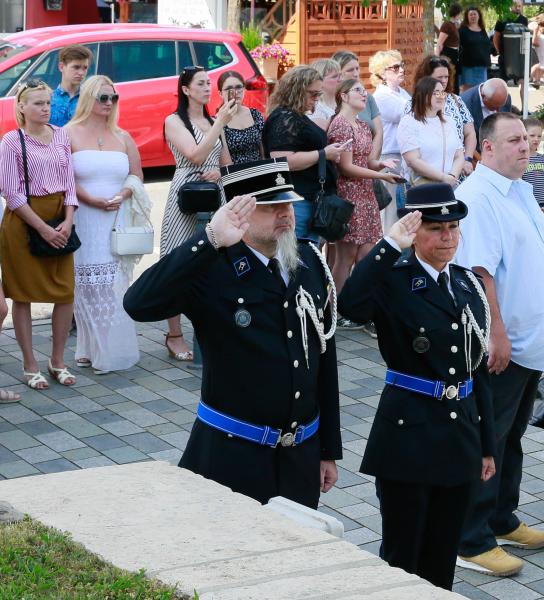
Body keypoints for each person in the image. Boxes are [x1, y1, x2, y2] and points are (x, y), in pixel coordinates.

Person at [124, 158, 342, 509]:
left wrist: (328, 449)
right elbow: (138, 304)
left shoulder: (309, 262)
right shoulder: (211, 268)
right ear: (237, 212)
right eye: (271, 206)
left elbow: (324, 361)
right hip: (233, 456)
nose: (285, 213)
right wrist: (208, 239)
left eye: (287, 202)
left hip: (300, 457)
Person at [338, 184, 496, 591]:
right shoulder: (393, 280)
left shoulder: (465, 284)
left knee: (443, 553)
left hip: (459, 434)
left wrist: (487, 444)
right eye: (436, 228)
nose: (447, 238)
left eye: (454, 228)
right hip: (409, 434)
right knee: (402, 556)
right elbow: (350, 305)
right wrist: (389, 246)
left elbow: (474, 369)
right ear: (414, 231)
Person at [455, 112, 544, 577]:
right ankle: (471, 538)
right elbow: (480, 272)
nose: (525, 147)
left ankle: (502, 518)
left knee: (513, 437)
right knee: (491, 439)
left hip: (530, 341)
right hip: (506, 343)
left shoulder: (519, 190)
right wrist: (496, 333)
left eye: (527, 138)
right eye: (513, 140)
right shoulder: (479, 196)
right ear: (486, 148)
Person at [0, 80, 79, 390]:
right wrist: (42, 228)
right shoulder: (11, 140)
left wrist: (69, 220)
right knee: (23, 295)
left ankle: (57, 360)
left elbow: (70, 182)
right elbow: (11, 192)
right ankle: (30, 363)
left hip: (60, 217)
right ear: (21, 107)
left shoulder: (61, 135)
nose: (45, 108)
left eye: (47, 102)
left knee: (65, 292)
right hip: (24, 222)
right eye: (37, 103)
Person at [65, 75, 145, 373]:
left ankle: (110, 350)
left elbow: (136, 174)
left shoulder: (123, 136)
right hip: (85, 217)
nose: (109, 103)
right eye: (103, 98)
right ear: (89, 98)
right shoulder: (68, 133)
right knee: (86, 285)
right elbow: (66, 179)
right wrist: (91, 200)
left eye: (113, 98)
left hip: (116, 218)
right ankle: (88, 347)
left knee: (113, 285)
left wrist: (124, 193)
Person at [160, 65, 235, 362]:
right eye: (201, 84)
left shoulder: (215, 119)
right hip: (187, 194)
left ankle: (209, 325)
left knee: (214, 260)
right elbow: (194, 155)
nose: (207, 88)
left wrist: (220, 170)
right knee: (176, 260)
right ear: (186, 89)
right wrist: (219, 125)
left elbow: (225, 160)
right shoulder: (174, 120)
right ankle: (173, 334)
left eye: (209, 83)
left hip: (215, 194)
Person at [327, 78, 401, 327]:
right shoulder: (340, 125)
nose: (364, 94)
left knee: (368, 254)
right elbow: (347, 168)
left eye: (364, 90)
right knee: (345, 257)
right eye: (358, 90)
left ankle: (360, 308)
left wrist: (381, 165)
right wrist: (381, 175)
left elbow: (365, 162)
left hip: (366, 195)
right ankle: (332, 310)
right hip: (349, 195)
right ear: (344, 96)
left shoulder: (361, 125)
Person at [262, 65, 344, 241]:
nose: (316, 99)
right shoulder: (285, 117)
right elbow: (284, 161)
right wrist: (324, 154)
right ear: (296, 90)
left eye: (318, 94)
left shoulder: (295, 116)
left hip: (308, 199)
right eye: (312, 94)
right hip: (297, 201)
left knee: (307, 258)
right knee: (295, 257)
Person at [410, 55, 477, 177]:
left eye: (446, 76)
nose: (444, 80)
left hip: (458, 169)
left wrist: (467, 159)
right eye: (439, 77)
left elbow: (470, 133)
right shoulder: (413, 103)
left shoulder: (456, 100)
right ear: (426, 79)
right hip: (427, 172)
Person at [396, 77, 464, 189]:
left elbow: (459, 155)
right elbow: (413, 160)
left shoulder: (449, 121)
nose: (441, 96)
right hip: (420, 189)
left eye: (442, 92)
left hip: (448, 188)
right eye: (436, 93)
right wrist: (443, 178)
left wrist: (452, 176)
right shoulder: (409, 122)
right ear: (423, 95)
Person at [370, 49, 411, 233]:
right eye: (395, 67)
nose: (401, 70)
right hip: (389, 156)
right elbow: (411, 114)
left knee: (402, 206)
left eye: (401, 65)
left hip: (402, 156)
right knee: (391, 211)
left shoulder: (401, 92)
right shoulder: (382, 96)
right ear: (382, 73)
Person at [332, 50, 384, 160]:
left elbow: (378, 131)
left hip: (369, 163)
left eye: (357, 68)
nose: (356, 74)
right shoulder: (333, 100)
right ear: (338, 74)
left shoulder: (367, 97)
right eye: (350, 70)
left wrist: (371, 161)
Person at [218, 70, 264, 164]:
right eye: (229, 89)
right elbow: (225, 164)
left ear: (244, 89)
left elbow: (264, 153)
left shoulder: (255, 114)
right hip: (234, 175)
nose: (235, 92)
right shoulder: (217, 120)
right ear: (220, 93)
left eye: (239, 87)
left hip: (260, 171)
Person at [461, 78, 512, 154]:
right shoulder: (465, 104)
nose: (498, 109)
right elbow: (464, 142)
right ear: (483, 97)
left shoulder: (505, 98)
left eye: (501, 105)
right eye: (495, 106)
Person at [49, 45, 93, 128]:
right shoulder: (49, 98)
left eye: (85, 68)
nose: (81, 73)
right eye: (76, 67)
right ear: (61, 67)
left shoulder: (90, 98)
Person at [522, 117, 544, 215]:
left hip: (542, 205)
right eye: (532, 135)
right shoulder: (519, 159)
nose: (536, 139)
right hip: (525, 204)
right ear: (524, 135)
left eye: (539, 136)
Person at [458, 7, 491, 91]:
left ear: (479, 16)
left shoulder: (482, 30)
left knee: (481, 90)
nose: (473, 16)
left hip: (482, 66)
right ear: (467, 17)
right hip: (468, 67)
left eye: (475, 14)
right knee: (468, 90)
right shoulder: (462, 30)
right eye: (470, 14)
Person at [309, 58, 341, 130]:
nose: (340, 79)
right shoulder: (315, 107)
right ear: (319, 80)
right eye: (335, 76)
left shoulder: (343, 101)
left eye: (340, 75)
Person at [437, 2, 463, 86]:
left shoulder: (454, 25)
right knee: (449, 79)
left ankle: (454, 97)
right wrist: (437, 60)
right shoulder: (447, 25)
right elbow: (439, 43)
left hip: (455, 55)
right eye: (460, 13)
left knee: (454, 79)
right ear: (457, 12)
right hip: (448, 54)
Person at [530, 17, 544, 87]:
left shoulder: (542, 32)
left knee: (542, 68)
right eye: (542, 25)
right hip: (540, 51)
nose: (543, 27)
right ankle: (529, 77)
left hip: (543, 51)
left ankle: (536, 80)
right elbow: (534, 42)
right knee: (540, 66)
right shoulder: (536, 31)